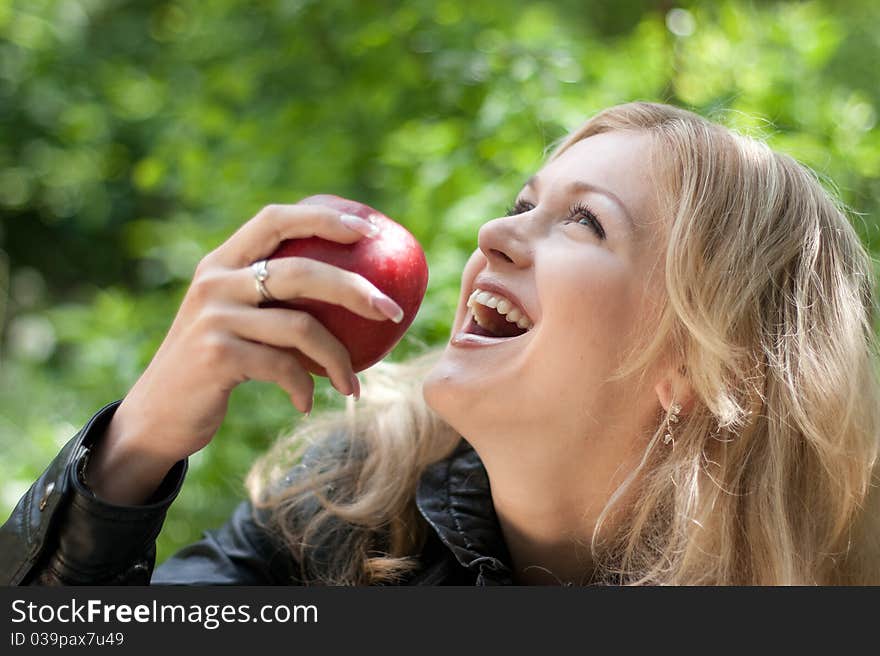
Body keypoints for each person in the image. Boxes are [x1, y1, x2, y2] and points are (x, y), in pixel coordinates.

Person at [3, 101, 880, 586]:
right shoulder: (342, 515)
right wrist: (136, 447)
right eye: (522, 200)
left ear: (702, 363)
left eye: (584, 221)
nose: (496, 235)